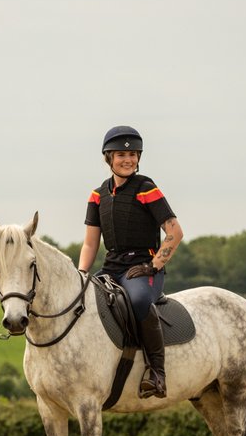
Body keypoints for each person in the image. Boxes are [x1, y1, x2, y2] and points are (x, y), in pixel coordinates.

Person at [78, 125, 184, 398]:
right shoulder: (97, 195)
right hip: (112, 268)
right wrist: (81, 273)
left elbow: (174, 232)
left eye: (134, 155)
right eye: (121, 155)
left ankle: (157, 373)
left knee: (137, 301)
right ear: (109, 158)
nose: (128, 160)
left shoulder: (147, 188)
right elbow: (91, 243)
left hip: (143, 267)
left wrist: (155, 265)